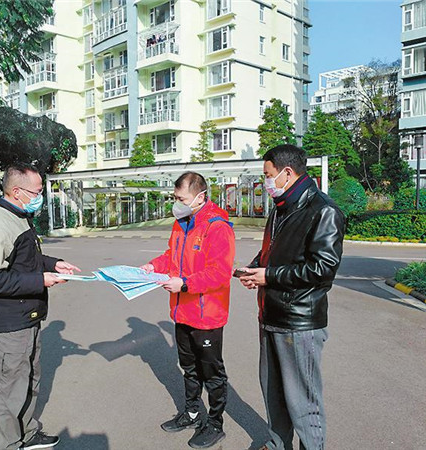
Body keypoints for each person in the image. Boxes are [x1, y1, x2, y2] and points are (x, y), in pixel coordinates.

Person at [238, 144, 345, 450]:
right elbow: (272, 253)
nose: (265, 182)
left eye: (267, 175)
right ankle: (276, 444)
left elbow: (322, 269)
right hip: (270, 314)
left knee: (303, 402)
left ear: (287, 172)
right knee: (274, 393)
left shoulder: (323, 211)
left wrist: (269, 276)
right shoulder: (280, 207)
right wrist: (256, 268)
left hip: (298, 322)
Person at [0, 164, 80, 450]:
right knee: (12, 387)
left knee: (31, 379)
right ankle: (10, 444)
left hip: (29, 315)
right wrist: (40, 280)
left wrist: (54, 264)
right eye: (36, 192)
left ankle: (29, 433)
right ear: (17, 191)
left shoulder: (20, 217)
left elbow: (26, 259)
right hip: (12, 322)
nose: (40, 197)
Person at [141, 171, 236, 449]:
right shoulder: (181, 222)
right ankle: (192, 413)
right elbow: (171, 256)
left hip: (207, 315)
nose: (177, 203)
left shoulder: (217, 227)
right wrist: (152, 266)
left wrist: (184, 284)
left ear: (200, 197)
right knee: (189, 368)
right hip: (182, 312)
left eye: (181, 199)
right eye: (175, 198)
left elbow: (220, 273)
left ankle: (215, 424)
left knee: (212, 373)